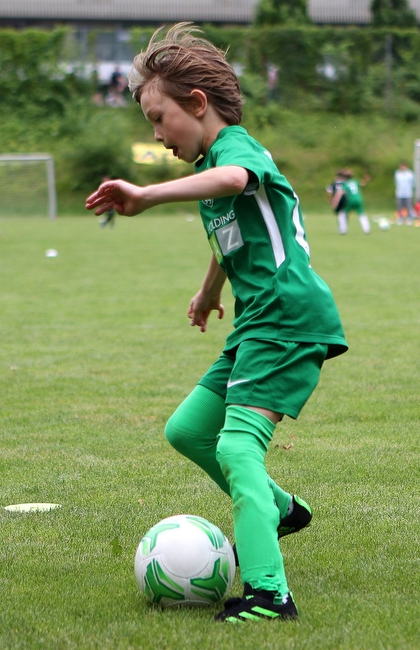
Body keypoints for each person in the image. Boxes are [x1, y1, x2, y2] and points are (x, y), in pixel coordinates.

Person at [85, 23, 347, 623]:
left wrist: (148, 196)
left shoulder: (236, 152)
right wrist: (207, 292)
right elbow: (229, 235)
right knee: (188, 431)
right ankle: (278, 510)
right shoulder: (212, 170)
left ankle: (267, 594)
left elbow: (234, 181)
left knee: (237, 447)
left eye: (159, 118)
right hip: (257, 321)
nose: (155, 134)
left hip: (287, 318)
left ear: (197, 105)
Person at [331, 169, 371, 235]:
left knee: (342, 213)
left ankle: (343, 230)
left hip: (350, 201)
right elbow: (363, 184)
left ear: (345, 177)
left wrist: (335, 202)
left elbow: (340, 193)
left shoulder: (345, 184)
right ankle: (367, 229)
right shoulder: (355, 181)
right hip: (359, 199)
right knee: (361, 214)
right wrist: (366, 180)